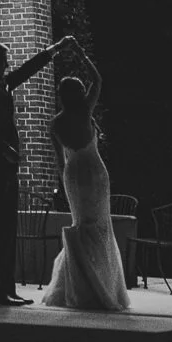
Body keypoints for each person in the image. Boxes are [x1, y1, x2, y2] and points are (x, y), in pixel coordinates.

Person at [0, 36, 72, 306]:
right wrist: (3, 149)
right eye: (3, 61)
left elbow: (27, 69)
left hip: (7, 167)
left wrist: (56, 49)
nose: (7, 65)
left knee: (7, 229)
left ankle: (8, 288)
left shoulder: (0, 83)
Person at [40, 44, 131, 311]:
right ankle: (101, 283)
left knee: (80, 224)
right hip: (95, 172)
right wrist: (80, 54)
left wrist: (63, 183)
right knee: (100, 227)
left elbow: (60, 161)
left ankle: (81, 283)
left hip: (73, 175)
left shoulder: (55, 123)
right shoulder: (86, 111)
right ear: (78, 94)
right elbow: (99, 80)